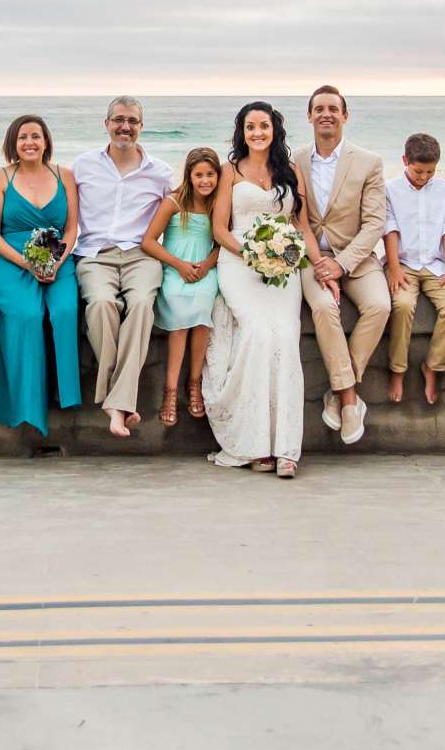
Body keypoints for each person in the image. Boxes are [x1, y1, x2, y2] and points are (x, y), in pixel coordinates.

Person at [203, 102, 328, 479]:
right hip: (239, 263)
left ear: (275, 130)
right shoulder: (230, 172)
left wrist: (319, 265)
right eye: (250, 127)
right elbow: (220, 229)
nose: (257, 133)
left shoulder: (290, 172)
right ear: (241, 132)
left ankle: (286, 449)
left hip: (283, 266)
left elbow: (302, 227)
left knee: (286, 338)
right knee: (257, 334)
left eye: (264, 126)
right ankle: (255, 444)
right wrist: (252, 252)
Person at [72, 97, 175, 437]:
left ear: (141, 126)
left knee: (143, 307)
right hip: (93, 254)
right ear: (106, 123)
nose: (125, 126)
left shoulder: (160, 173)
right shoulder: (83, 166)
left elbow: (176, 217)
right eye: (118, 119)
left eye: (132, 120)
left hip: (140, 256)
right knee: (101, 305)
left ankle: (115, 404)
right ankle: (121, 401)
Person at [0, 114, 83, 441]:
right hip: (11, 260)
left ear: (46, 141)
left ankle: (66, 395)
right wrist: (27, 265)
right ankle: (27, 407)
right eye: (23, 137)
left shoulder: (64, 175)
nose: (29, 142)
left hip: (57, 257)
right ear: (13, 143)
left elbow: (71, 229)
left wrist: (56, 261)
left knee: (66, 311)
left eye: (36, 136)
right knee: (27, 316)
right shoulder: (0, 177)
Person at [299, 86, 389, 446]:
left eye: (333, 109)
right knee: (323, 307)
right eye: (319, 108)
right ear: (309, 116)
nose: (326, 114)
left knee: (381, 306)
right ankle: (350, 400)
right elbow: (297, 217)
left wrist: (342, 264)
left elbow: (374, 223)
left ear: (345, 116)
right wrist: (321, 264)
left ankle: (338, 390)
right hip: (311, 257)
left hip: (358, 256)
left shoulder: (369, 161)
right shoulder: (296, 160)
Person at [140, 146, 223, 425]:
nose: (205, 181)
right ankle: (171, 391)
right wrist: (179, 265)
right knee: (178, 309)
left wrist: (207, 265)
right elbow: (149, 241)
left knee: (203, 306)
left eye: (210, 175)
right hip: (176, 270)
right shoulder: (174, 202)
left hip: (204, 271)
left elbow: (221, 244)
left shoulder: (217, 205)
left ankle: (195, 382)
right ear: (189, 175)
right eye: (199, 175)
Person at [380, 133, 445, 406]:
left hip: (436, 265)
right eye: (418, 171)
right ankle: (397, 370)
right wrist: (393, 268)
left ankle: (433, 367)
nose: (423, 177)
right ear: (405, 161)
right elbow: (389, 228)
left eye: (430, 172)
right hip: (403, 263)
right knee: (403, 305)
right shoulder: (389, 189)